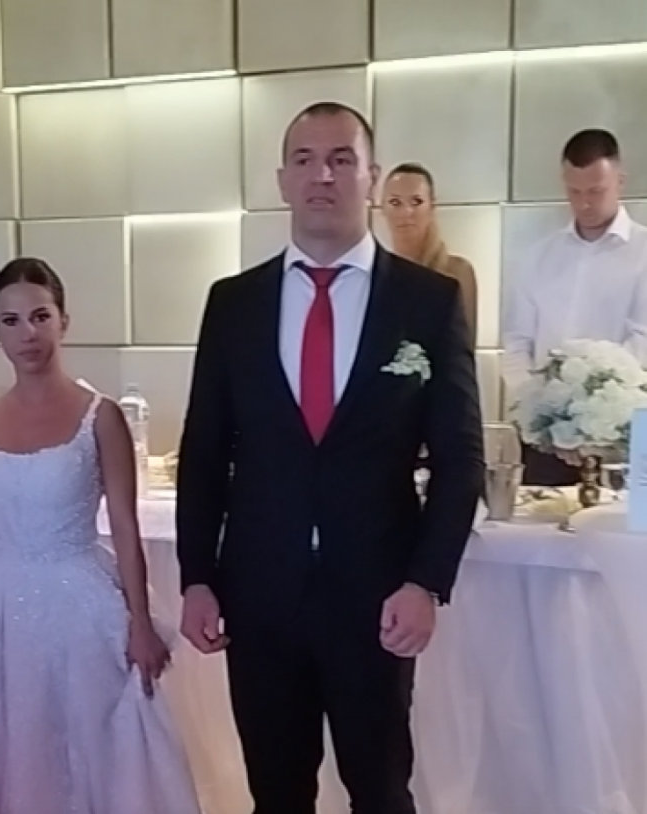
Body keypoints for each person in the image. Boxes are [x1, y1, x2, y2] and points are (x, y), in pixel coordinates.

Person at [175, 102, 484, 814]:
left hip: (377, 597)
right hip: (259, 595)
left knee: (381, 791)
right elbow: (204, 452)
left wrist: (426, 581)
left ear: (371, 176)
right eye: (306, 160)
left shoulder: (429, 302)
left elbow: (461, 455)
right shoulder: (233, 303)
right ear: (282, 179)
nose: (323, 175)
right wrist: (196, 576)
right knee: (276, 795)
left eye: (342, 159)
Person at [0, 258, 201, 814]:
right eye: (11, 321)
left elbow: (125, 528)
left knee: (86, 742)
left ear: (64, 320)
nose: (28, 333)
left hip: (77, 600)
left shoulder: (100, 416)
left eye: (40, 316)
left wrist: (139, 622)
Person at [502, 129, 647, 486]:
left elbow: (642, 341)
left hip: (626, 434)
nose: (584, 203)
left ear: (620, 181)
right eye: (574, 192)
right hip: (547, 438)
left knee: (626, 523)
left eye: (596, 191)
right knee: (540, 519)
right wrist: (539, 411)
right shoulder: (539, 257)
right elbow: (517, 342)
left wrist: (595, 416)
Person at [381, 162, 479, 347]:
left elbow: (464, 350)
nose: (406, 212)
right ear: (382, 209)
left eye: (416, 202)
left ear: (432, 206)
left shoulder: (457, 272)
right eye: (395, 203)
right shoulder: (377, 276)